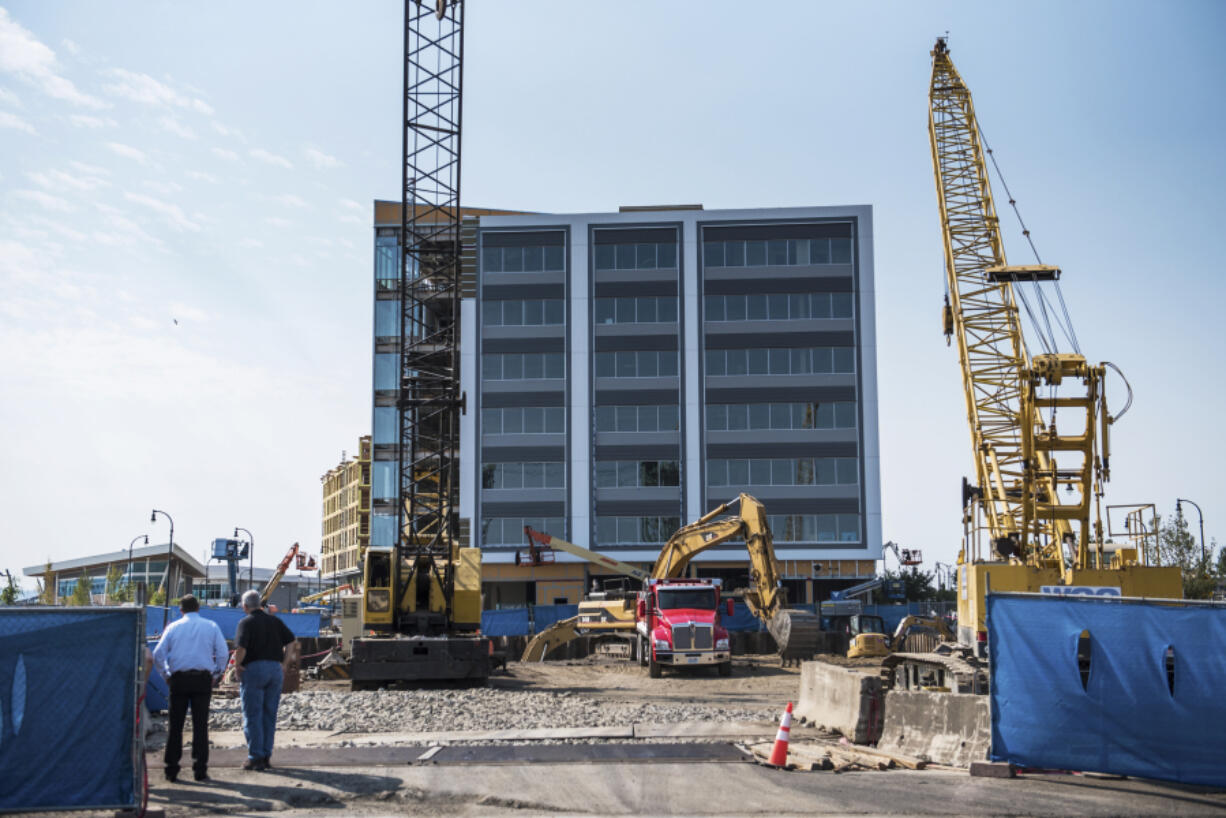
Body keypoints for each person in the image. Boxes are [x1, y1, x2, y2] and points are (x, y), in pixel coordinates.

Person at [151, 594, 229, 783]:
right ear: (198, 608)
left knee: (175, 726)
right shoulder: (211, 626)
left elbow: (157, 654)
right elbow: (223, 653)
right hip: (202, 679)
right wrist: (215, 675)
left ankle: (171, 770)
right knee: (200, 726)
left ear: (181, 609)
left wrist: (167, 675)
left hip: (179, 679)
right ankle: (200, 770)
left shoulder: (173, 627)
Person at [234, 589, 299, 771]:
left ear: (245, 606)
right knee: (269, 714)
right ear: (260, 605)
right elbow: (291, 641)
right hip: (274, 670)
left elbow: (241, 648)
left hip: (254, 670)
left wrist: (237, 666)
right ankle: (266, 755)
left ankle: (255, 757)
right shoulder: (275, 621)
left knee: (253, 715)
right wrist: (284, 664)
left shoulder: (245, 623)